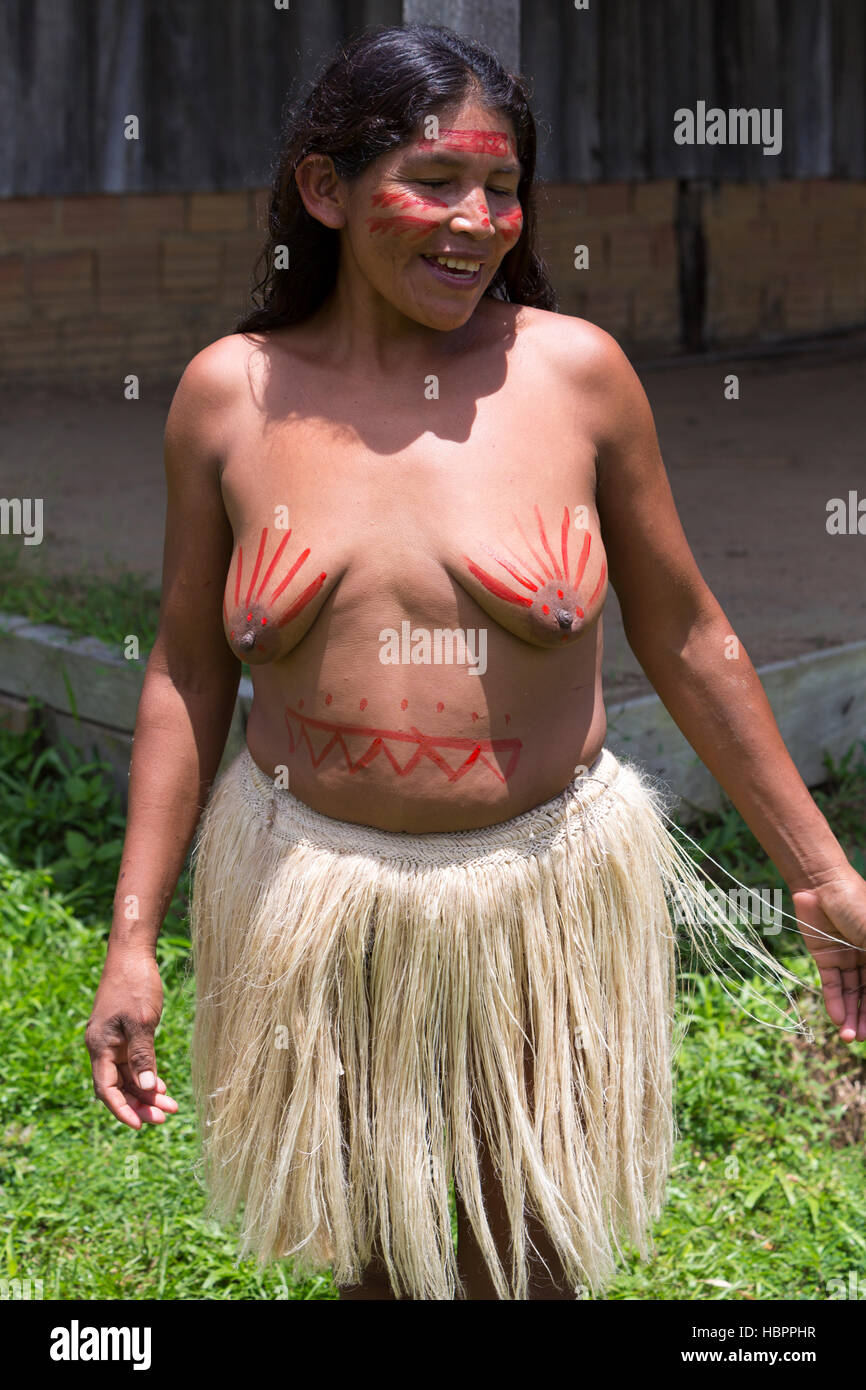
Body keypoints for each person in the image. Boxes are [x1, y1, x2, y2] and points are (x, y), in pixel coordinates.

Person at [85, 23, 866, 1302]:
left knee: (529, 1242)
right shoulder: (230, 396)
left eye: (501, 187)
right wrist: (133, 934)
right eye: (435, 181)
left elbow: (685, 633)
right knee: (377, 1244)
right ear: (325, 191)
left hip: (536, 884)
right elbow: (183, 670)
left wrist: (820, 872)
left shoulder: (571, 377)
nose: (477, 220)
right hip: (317, 893)